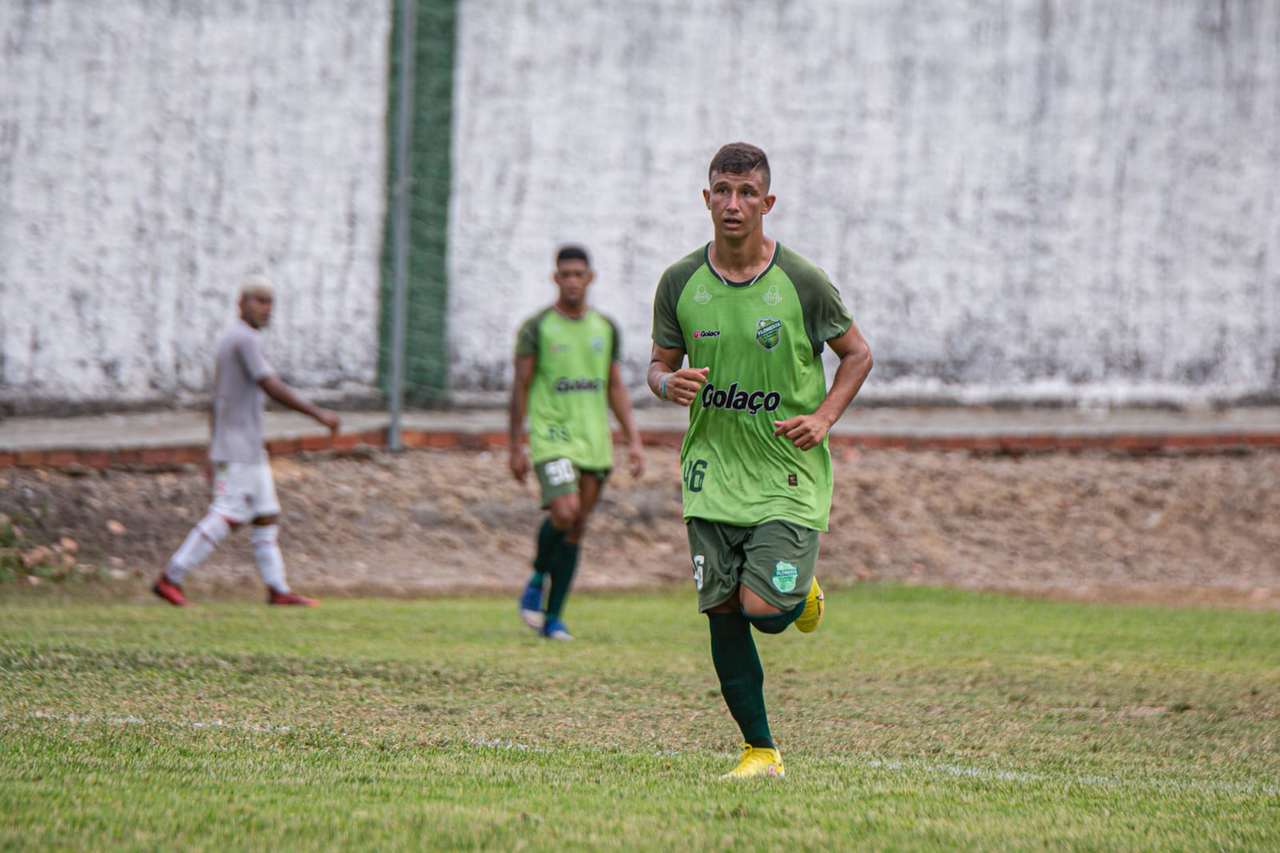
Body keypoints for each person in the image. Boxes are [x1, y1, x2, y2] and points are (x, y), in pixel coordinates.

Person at [649, 143, 873, 778]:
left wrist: (825, 417)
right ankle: (760, 750)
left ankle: (797, 596)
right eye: (722, 190)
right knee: (721, 610)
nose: (733, 204)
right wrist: (667, 385)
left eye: (747, 193)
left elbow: (857, 354)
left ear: (767, 203)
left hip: (785, 470)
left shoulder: (802, 281)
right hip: (711, 473)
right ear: (706, 198)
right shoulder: (679, 282)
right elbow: (658, 365)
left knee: (764, 613)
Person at [152, 275, 340, 607]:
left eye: (270, 302)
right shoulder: (244, 340)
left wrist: (212, 449)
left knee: (266, 514)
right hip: (238, 447)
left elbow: (217, 401)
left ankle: (278, 590)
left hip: (248, 446)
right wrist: (317, 414)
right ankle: (171, 577)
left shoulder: (236, 340)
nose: (266, 309)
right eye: (259, 301)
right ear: (241, 303)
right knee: (228, 514)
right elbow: (271, 386)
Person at [510, 245, 645, 640]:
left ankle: (553, 619)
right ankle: (537, 576)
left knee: (576, 528)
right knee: (565, 510)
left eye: (578, 274)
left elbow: (615, 386)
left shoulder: (605, 328)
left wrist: (633, 441)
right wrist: (515, 445)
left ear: (590, 278)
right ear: (555, 278)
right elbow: (519, 388)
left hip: (593, 442)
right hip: (552, 438)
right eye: (564, 274)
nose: (571, 281)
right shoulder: (537, 327)